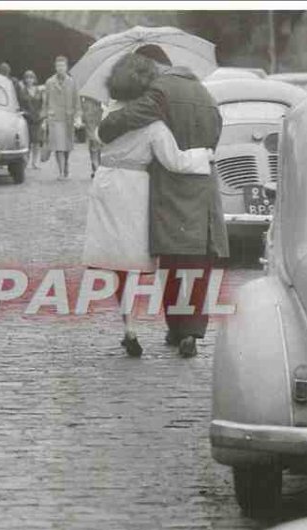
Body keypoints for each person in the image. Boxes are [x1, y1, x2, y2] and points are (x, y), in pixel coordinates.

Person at [98, 45, 228, 358]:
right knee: (198, 261)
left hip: (171, 187)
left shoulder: (159, 92)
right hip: (203, 186)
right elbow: (216, 133)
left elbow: (130, 118)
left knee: (172, 261)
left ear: (156, 66)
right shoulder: (205, 94)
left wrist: (108, 124)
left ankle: (176, 327)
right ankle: (193, 333)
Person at [42, 55, 80, 180]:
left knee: (67, 147)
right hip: (55, 118)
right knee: (58, 146)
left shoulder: (72, 82)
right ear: (55, 67)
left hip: (68, 118)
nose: (60, 68)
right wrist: (44, 118)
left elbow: (77, 101)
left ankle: (66, 165)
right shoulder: (49, 82)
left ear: (67, 67)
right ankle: (61, 172)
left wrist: (78, 116)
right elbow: (45, 102)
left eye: (62, 66)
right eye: (58, 66)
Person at [19, 70, 45, 169]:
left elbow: (42, 103)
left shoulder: (39, 91)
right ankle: (26, 161)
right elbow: (20, 105)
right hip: (27, 118)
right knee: (27, 141)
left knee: (37, 142)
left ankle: (35, 162)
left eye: (31, 78)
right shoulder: (22, 91)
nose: (29, 80)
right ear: (25, 80)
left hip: (38, 118)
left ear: (34, 79)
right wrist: (24, 112)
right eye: (27, 78)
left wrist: (42, 115)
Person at [80, 95, 103, 178]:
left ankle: (96, 167)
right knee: (94, 141)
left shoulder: (88, 97)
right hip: (92, 117)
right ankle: (96, 167)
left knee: (95, 143)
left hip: (95, 117)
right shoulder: (90, 98)